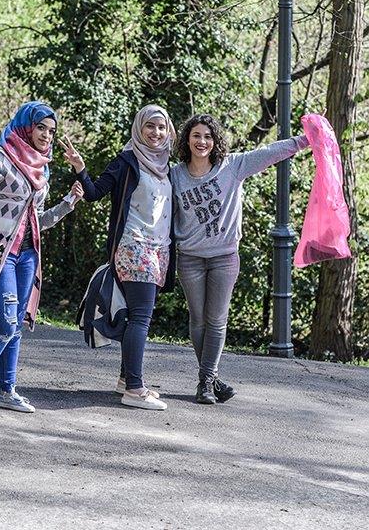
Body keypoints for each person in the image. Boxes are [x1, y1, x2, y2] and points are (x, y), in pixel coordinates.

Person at [171, 114, 309, 404]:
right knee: (198, 319)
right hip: (190, 258)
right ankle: (212, 378)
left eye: (208, 136)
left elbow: (270, 153)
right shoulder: (175, 175)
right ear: (187, 139)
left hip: (224, 258)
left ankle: (206, 382)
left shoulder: (231, 166)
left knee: (216, 319)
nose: (202, 142)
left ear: (215, 140)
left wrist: (306, 140)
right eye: (196, 135)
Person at [0, 101, 84, 413]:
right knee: (4, 325)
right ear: (27, 125)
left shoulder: (42, 166)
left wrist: (69, 202)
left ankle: (7, 390)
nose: (46, 135)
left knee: (15, 327)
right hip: (0, 253)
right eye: (41, 127)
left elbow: (39, 217)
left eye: (52, 131)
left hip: (28, 256)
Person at [63, 104, 176, 411]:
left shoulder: (167, 167)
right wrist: (80, 168)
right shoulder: (127, 161)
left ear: (169, 132)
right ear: (139, 128)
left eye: (161, 127)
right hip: (134, 247)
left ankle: (127, 380)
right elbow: (95, 192)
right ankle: (135, 390)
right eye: (149, 126)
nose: (155, 132)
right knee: (141, 317)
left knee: (133, 317)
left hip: (159, 249)